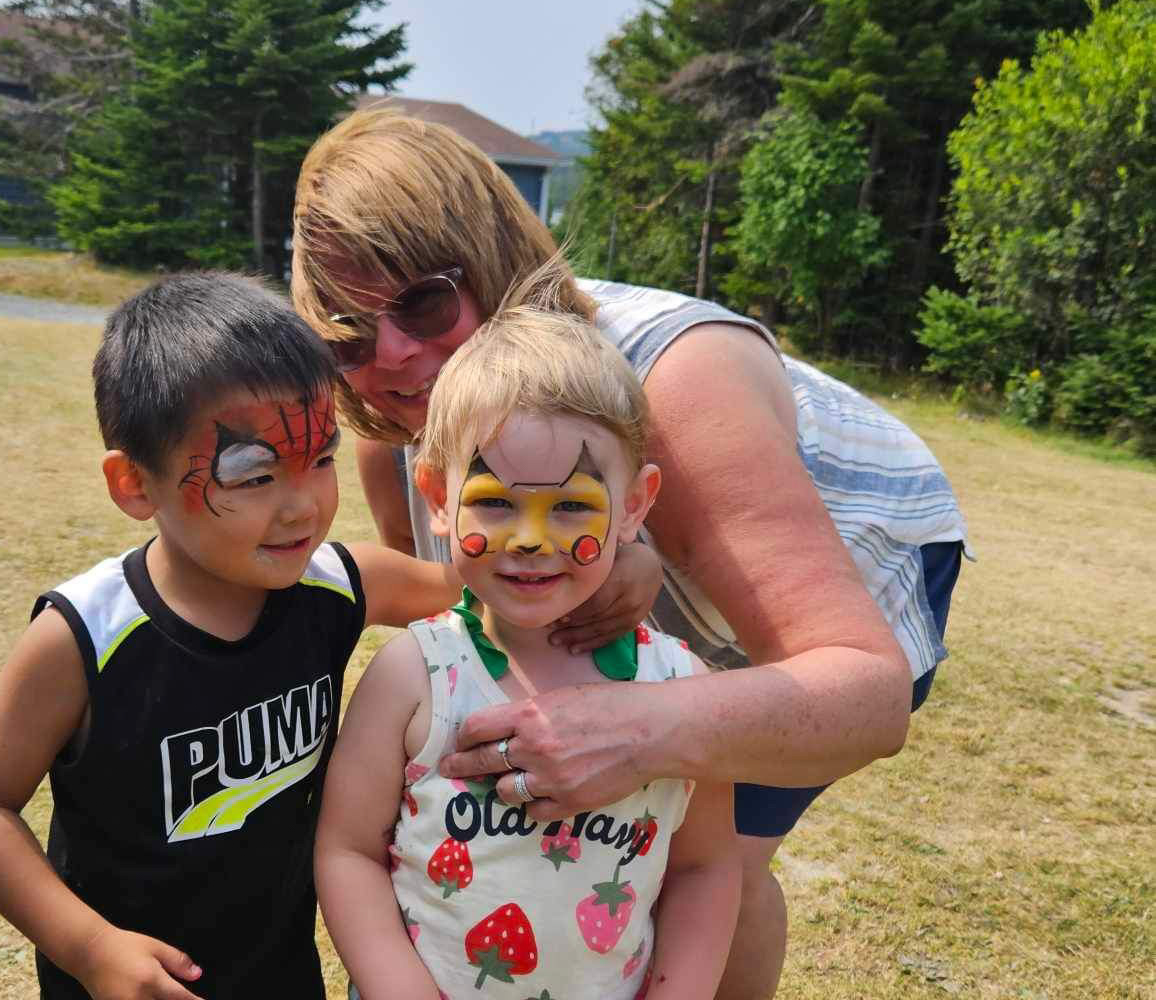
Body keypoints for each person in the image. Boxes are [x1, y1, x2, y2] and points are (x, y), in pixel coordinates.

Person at [290, 109, 969, 999]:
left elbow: (864, 697)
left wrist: (651, 729)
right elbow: (457, 611)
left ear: (491, 260)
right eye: (347, 331)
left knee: (709, 851)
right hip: (623, 549)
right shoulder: (403, 429)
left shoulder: (679, 384)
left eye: (423, 301)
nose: (391, 353)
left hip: (847, 564)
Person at [0, 272, 462, 1000]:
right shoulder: (83, 637)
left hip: (282, 973)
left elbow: (479, 593)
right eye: (254, 477)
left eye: (319, 460)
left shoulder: (337, 585)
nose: (302, 507)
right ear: (134, 485)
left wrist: (619, 566)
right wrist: (91, 949)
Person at [315, 304, 741, 999]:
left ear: (634, 504)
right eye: (495, 503)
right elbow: (347, 852)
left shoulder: (683, 691)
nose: (531, 539)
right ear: (437, 498)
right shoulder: (412, 678)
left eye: (572, 507)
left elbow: (705, 869)